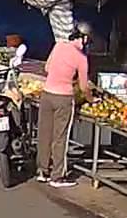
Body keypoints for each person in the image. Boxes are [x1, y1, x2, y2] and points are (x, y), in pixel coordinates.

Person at [37, 23, 93, 188]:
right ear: (84, 39)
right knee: (60, 137)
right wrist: (91, 100)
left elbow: (47, 68)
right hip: (64, 99)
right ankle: (57, 176)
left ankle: (42, 171)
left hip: (47, 95)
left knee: (44, 134)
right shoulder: (81, 58)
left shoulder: (59, 46)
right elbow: (84, 87)